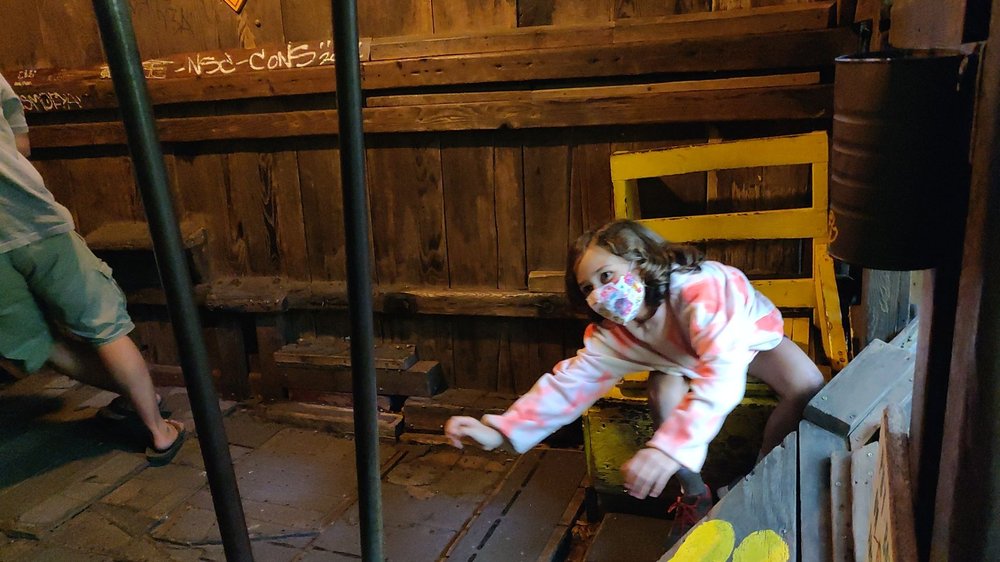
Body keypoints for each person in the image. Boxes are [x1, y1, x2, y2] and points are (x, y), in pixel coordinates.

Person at [445, 219, 824, 542]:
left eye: (606, 276)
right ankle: (694, 494)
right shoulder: (614, 333)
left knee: (807, 386)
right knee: (661, 394)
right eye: (587, 287)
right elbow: (570, 384)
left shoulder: (700, 292)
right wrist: (501, 431)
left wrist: (668, 448)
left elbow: (722, 373)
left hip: (742, 338)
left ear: (640, 262)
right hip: (675, 358)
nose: (599, 294)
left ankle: (759, 477)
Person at [0, 72, 185, 465]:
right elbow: (21, 144)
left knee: (42, 345)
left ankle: (137, 399)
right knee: (105, 327)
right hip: (36, 222)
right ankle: (158, 429)